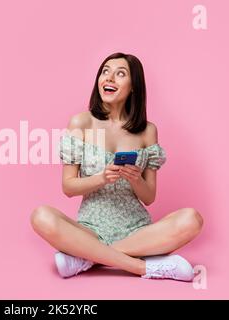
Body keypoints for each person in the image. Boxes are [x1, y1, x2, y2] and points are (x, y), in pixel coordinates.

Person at [30, 52, 203, 281]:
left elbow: (149, 197)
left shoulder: (147, 131)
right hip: (90, 230)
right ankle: (144, 267)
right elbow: (68, 187)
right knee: (41, 216)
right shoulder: (81, 123)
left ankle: (86, 258)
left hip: (139, 232)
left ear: (133, 87)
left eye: (120, 74)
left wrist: (135, 179)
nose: (109, 78)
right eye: (105, 72)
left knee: (192, 219)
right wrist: (102, 177)